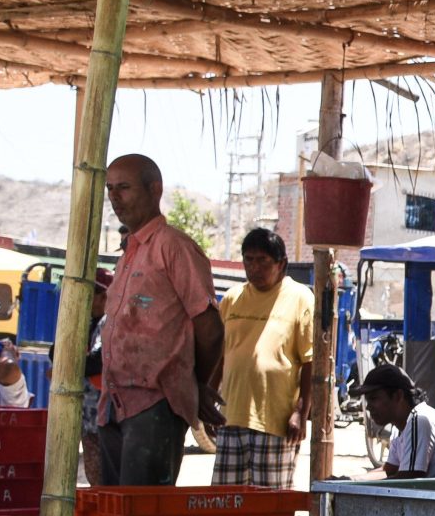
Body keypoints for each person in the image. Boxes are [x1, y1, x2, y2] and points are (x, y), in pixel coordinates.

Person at [92, 154, 221, 485]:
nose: (115, 197)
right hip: (113, 403)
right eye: (110, 189)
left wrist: (198, 383)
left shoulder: (174, 247)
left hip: (155, 402)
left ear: (154, 190)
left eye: (124, 187)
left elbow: (210, 328)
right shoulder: (129, 252)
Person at [215, 228, 316, 487]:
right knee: (225, 506)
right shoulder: (232, 298)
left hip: (275, 421)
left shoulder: (300, 298)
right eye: (248, 260)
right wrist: (208, 396)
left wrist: (300, 412)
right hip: (231, 417)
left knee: (270, 506)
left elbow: (310, 362)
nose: (254, 268)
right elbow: (220, 353)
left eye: (263, 261)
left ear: (281, 263)